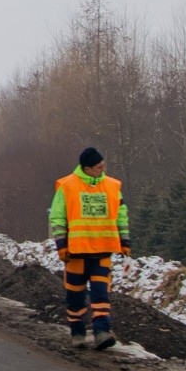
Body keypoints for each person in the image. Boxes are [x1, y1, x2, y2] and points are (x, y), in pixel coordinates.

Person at [48, 147, 130, 351]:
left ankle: (102, 332)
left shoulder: (112, 186)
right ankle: (77, 332)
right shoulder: (66, 186)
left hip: (102, 251)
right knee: (75, 296)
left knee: (101, 293)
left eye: (104, 166)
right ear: (87, 168)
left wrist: (125, 241)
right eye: (99, 167)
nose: (103, 169)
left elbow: (121, 215)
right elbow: (57, 218)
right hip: (76, 253)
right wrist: (61, 245)